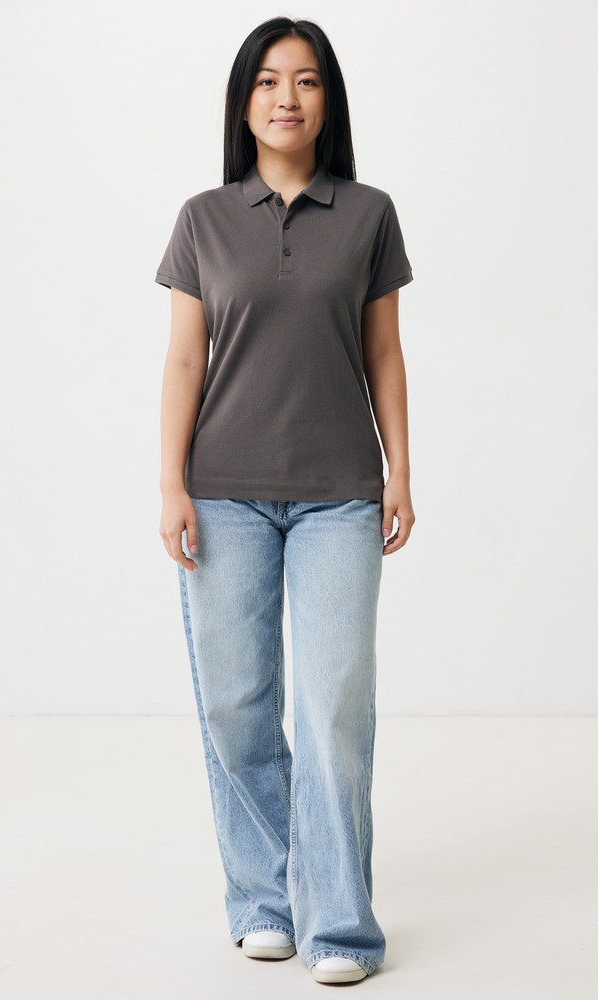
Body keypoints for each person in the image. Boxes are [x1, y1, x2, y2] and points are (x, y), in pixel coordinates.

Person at [155, 16, 415, 986]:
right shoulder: (203, 218)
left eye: (305, 81)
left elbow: (384, 351)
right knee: (236, 706)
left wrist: (399, 470)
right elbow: (185, 359)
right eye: (268, 81)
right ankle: (266, 901)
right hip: (222, 492)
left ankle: (340, 923)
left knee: (334, 703)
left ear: (327, 101)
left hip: (338, 495)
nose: (286, 97)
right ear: (243, 102)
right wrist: (171, 483)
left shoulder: (369, 213)